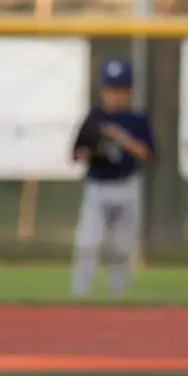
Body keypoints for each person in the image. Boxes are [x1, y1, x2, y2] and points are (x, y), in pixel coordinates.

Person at [70, 58, 154, 298]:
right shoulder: (94, 118)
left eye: (120, 90)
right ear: (103, 90)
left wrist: (120, 137)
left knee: (121, 248)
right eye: (110, 89)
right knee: (87, 243)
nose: (115, 95)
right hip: (97, 187)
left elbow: (147, 154)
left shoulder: (137, 120)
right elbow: (76, 154)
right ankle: (80, 295)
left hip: (127, 186)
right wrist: (92, 149)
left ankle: (119, 298)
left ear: (129, 92)